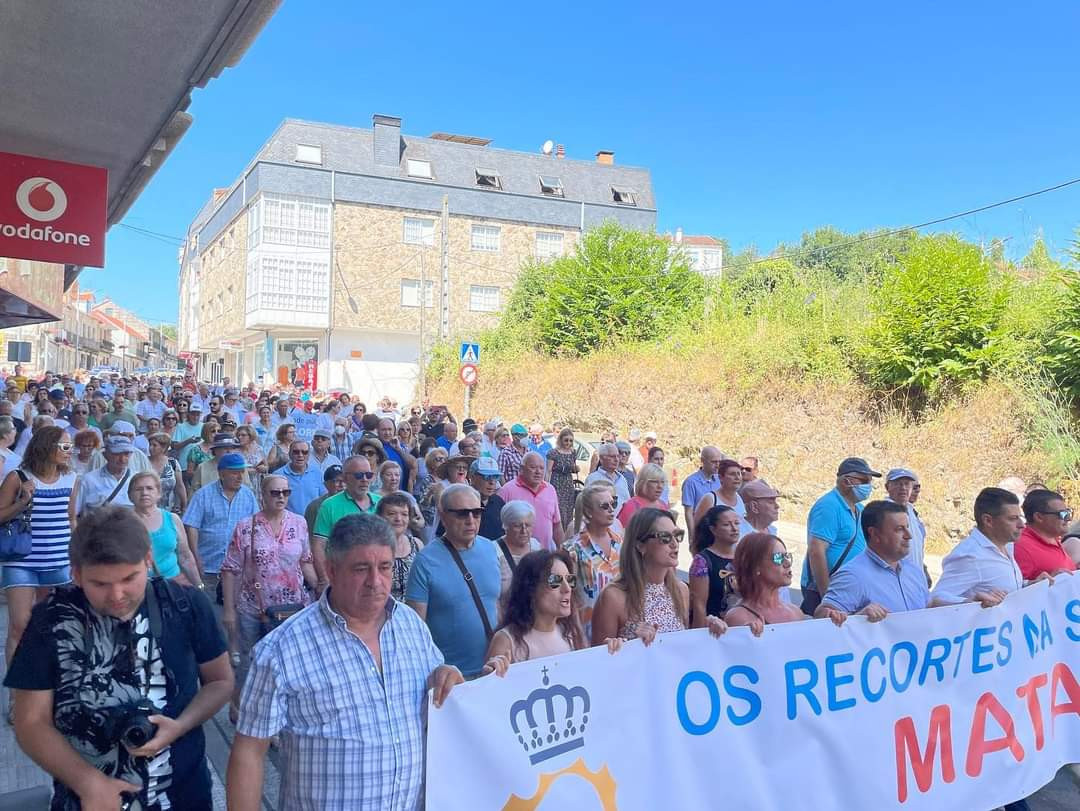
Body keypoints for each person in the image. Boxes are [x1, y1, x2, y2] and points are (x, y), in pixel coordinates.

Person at [227, 512, 462, 811]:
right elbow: (249, 751)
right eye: (361, 568)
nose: (375, 581)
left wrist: (445, 674)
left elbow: (434, 685)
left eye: (385, 567)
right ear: (332, 570)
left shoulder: (411, 626)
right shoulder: (280, 650)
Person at [4, 505, 232, 810]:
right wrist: (87, 782)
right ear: (76, 573)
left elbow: (220, 681)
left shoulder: (186, 605)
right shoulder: (51, 621)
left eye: (129, 578)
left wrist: (180, 725)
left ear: (148, 560)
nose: (117, 595)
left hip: (185, 795)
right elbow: (30, 720)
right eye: (100, 583)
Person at [221, 475, 316, 722]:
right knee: (250, 662)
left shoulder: (299, 523)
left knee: (285, 664)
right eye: (275, 492)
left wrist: (321, 587)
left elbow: (305, 561)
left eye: (286, 492)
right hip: (254, 607)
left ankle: (272, 717)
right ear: (263, 494)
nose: (281, 497)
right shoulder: (246, 526)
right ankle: (239, 705)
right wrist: (229, 610)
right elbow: (230, 568)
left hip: (292, 608)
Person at [1, 426, 78, 694]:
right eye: (65, 447)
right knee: (20, 627)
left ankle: (47, 688)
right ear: (47, 447)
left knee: (52, 627)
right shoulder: (17, 477)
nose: (70, 452)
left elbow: (71, 519)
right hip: (21, 560)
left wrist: (78, 554)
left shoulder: (72, 479)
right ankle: (17, 695)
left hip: (59, 561)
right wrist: (22, 501)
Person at [592, 508, 727, 646]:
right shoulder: (613, 597)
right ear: (640, 545)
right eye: (665, 537)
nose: (675, 543)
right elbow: (598, 659)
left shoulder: (681, 591)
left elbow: (684, 647)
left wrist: (708, 629)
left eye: (678, 535)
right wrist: (628, 643)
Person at [405, 483, 500, 677]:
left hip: (492, 671)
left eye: (476, 512)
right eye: (462, 513)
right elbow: (416, 629)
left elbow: (497, 604)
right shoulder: (425, 561)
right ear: (443, 515)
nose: (471, 520)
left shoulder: (490, 549)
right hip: (451, 678)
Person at [814, 500, 931, 622]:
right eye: (899, 529)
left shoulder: (914, 570)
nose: (909, 535)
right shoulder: (852, 576)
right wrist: (858, 618)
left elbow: (928, 611)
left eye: (907, 527)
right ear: (875, 534)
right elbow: (822, 619)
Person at [482, 550, 590, 676]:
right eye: (555, 581)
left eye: (570, 580)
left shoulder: (570, 634)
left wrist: (610, 651)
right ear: (531, 589)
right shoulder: (506, 641)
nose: (567, 589)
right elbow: (492, 691)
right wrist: (489, 675)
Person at [800, 457, 879, 614]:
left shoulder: (859, 509)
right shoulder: (829, 506)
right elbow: (817, 551)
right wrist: (826, 597)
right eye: (863, 480)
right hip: (826, 591)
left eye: (869, 481)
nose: (868, 486)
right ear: (845, 481)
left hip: (846, 589)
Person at [931, 487, 1031, 608]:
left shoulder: (1007, 545)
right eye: (1012, 519)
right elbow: (934, 599)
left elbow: (1004, 585)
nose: (1022, 525)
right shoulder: (971, 556)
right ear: (988, 520)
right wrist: (971, 602)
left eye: (1020, 518)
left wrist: (1031, 585)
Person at [182, 453, 260, 599]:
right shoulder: (203, 495)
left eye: (241, 472)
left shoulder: (248, 495)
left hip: (238, 567)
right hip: (209, 566)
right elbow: (191, 526)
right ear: (222, 474)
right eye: (234, 472)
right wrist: (195, 556)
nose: (239, 477)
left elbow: (256, 526)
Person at [725, 533, 825, 632]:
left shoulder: (795, 613)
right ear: (755, 566)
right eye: (778, 558)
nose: (788, 563)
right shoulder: (738, 617)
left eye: (787, 556)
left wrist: (831, 619)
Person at [564, 484, 622, 637]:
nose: (611, 509)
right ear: (589, 512)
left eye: (613, 504)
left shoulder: (621, 544)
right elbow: (568, 596)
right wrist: (577, 634)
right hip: (586, 631)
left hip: (620, 628)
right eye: (604, 506)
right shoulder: (572, 549)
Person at [130, 471, 202, 586]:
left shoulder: (172, 519)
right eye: (138, 489)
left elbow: (185, 557)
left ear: (159, 493)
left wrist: (199, 586)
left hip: (173, 587)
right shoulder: (123, 523)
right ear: (130, 495)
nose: (144, 493)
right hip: (138, 587)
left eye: (149, 488)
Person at [497, 451, 563, 550]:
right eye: (533, 467)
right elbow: (498, 525)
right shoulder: (507, 490)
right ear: (521, 469)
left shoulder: (550, 489)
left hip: (546, 554)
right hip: (516, 555)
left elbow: (557, 524)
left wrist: (561, 548)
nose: (538, 472)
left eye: (541, 468)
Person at [688, 505, 741, 627]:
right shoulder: (702, 561)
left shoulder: (743, 556)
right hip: (714, 629)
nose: (734, 529)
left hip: (740, 627)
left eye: (737, 523)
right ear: (713, 529)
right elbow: (699, 605)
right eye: (727, 525)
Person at [1015, 488, 1077, 579]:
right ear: (1039, 517)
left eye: (1068, 513)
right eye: (1062, 514)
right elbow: (1016, 589)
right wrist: (1046, 583)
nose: (1068, 518)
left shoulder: (1053, 537)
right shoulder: (1021, 547)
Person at [375, 492, 424, 602]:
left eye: (404, 514)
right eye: (392, 514)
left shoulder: (417, 545)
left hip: (413, 613)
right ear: (380, 517)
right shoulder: (372, 547)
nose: (398, 519)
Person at [494, 500, 542, 606]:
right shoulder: (495, 551)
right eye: (517, 526)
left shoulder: (536, 547)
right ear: (506, 526)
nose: (524, 531)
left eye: (528, 525)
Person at [884, 467, 929, 578]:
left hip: (915, 579)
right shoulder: (883, 513)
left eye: (907, 484)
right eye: (898, 484)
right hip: (895, 578)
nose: (903, 488)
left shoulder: (912, 511)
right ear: (887, 487)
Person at [76, 433, 136, 514]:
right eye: (117, 454)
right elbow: (75, 512)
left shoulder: (136, 479)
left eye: (126, 454)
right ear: (105, 455)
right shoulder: (89, 480)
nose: (122, 459)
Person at [681, 446, 722, 541]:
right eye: (714, 462)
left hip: (719, 532)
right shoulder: (691, 482)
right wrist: (692, 537)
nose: (717, 465)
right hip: (701, 532)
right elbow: (688, 512)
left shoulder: (719, 480)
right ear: (703, 461)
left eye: (719, 462)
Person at [693, 459, 745, 529]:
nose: (737, 477)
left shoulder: (740, 498)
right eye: (732, 474)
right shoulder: (710, 499)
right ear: (720, 477)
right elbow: (697, 528)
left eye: (739, 474)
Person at [545, 427, 579, 529]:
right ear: (561, 439)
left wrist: (575, 469)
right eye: (566, 440)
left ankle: (567, 532)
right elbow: (549, 470)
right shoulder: (553, 452)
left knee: (568, 509)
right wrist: (546, 486)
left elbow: (573, 467)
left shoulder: (573, 452)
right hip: (557, 482)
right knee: (558, 508)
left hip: (568, 483)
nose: (568, 443)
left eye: (570, 440)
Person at [585, 442, 631, 512]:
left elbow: (627, 502)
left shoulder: (622, 479)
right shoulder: (593, 479)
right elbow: (587, 505)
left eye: (618, 456)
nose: (616, 460)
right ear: (602, 458)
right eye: (612, 456)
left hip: (620, 521)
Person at [148, 431, 187, 513]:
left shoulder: (173, 463)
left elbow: (180, 486)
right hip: (146, 508)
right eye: (150, 445)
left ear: (164, 447)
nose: (151, 448)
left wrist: (184, 506)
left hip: (168, 509)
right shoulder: (143, 462)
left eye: (154, 445)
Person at [377, 418, 417, 491]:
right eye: (384, 430)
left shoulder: (398, 445)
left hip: (399, 492)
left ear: (394, 431)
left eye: (390, 429)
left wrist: (399, 449)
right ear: (378, 431)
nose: (387, 433)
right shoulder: (374, 447)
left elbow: (413, 464)